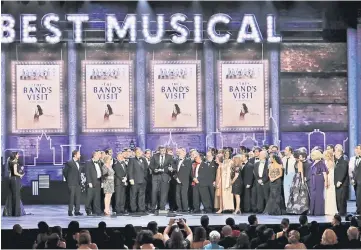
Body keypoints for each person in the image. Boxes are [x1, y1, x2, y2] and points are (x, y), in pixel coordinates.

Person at [149, 146, 173, 212]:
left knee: (164, 193)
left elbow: (171, 166)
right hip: (155, 176)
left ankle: (162, 208)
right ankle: (153, 208)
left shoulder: (169, 157)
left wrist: (163, 170)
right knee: (154, 192)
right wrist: (154, 169)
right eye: (161, 150)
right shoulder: (154, 156)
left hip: (165, 176)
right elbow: (151, 165)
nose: (162, 152)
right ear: (159, 150)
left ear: (165, 150)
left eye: (163, 150)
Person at [286, 150, 309, 214]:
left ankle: (293, 209)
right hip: (299, 178)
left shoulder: (295, 163)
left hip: (295, 178)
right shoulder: (300, 163)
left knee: (294, 193)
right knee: (300, 193)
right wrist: (302, 181)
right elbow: (301, 172)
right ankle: (300, 209)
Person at [3, 152, 24, 217]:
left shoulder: (11, 162)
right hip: (15, 179)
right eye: (17, 154)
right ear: (15, 156)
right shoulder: (14, 163)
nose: (18, 155)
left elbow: (11, 172)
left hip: (12, 179)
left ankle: (11, 212)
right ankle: (16, 213)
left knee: (12, 195)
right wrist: (20, 175)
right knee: (16, 195)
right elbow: (15, 172)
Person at [63, 150, 83, 216]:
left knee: (78, 197)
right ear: (75, 155)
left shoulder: (79, 162)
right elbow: (65, 172)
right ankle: (70, 211)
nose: (80, 155)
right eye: (79, 154)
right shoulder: (69, 162)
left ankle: (77, 211)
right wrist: (68, 180)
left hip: (78, 183)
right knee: (71, 198)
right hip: (71, 183)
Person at [128, 147, 148, 214]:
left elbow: (146, 169)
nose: (139, 153)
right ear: (135, 153)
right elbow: (130, 170)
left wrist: (145, 178)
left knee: (142, 196)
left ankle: (141, 208)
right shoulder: (132, 160)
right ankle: (133, 209)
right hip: (135, 180)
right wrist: (131, 178)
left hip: (143, 181)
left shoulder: (144, 159)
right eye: (137, 152)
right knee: (133, 195)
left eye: (140, 152)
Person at [308, 149, 328, 216]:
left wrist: (326, 182)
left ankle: (318, 211)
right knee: (313, 195)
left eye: (313, 155)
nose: (312, 156)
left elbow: (325, 173)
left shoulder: (321, 163)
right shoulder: (313, 163)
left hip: (319, 180)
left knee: (319, 196)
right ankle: (312, 211)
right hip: (313, 180)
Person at [173, 148, 192, 212]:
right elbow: (175, 170)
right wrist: (176, 178)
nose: (178, 154)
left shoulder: (188, 160)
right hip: (177, 180)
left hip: (185, 180)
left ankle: (185, 208)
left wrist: (181, 179)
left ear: (184, 153)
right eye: (178, 152)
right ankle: (179, 208)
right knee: (177, 195)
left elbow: (187, 171)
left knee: (184, 195)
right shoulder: (177, 160)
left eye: (180, 152)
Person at [85, 150, 102, 216]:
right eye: (99, 154)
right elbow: (87, 173)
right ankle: (88, 211)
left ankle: (97, 211)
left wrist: (102, 181)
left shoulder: (99, 162)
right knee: (89, 197)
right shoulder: (88, 162)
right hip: (91, 182)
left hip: (98, 181)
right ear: (95, 155)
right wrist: (89, 182)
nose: (100, 155)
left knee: (97, 198)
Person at [334, 148, 349, 215]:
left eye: (336, 151)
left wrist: (340, 181)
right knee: (338, 198)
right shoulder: (338, 160)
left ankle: (342, 212)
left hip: (342, 183)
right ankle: (340, 211)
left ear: (339, 152)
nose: (334, 153)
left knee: (342, 199)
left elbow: (343, 171)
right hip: (337, 183)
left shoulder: (344, 160)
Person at [323, 150, 338, 215]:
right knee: (330, 194)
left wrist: (326, 181)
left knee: (329, 194)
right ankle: (331, 209)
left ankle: (329, 210)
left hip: (329, 179)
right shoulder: (332, 162)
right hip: (331, 179)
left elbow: (326, 173)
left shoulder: (328, 163)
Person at [349, 144, 361, 214]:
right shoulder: (354, 159)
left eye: (359, 149)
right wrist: (352, 179)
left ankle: (359, 211)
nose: (358, 150)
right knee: (357, 196)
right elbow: (352, 170)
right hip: (356, 181)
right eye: (357, 149)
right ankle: (358, 209)